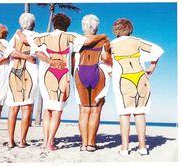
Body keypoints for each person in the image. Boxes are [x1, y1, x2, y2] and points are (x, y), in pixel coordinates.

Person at [30, 13, 108, 151]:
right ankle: (57, 143)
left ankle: (46, 141)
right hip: (65, 75)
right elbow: (92, 46)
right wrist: (103, 36)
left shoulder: (42, 37)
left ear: (53, 23)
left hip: (47, 75)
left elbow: (36, 52)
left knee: (48, 109)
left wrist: (50, 61)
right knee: (60, 110)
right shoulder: (73, 37)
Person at [110, 18, 164, 155]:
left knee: (124, 114)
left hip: (123, 80)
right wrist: (152, 67)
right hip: (141, 78)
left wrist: (111, 72)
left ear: (115, 30)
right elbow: (157, 51)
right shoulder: (137, 41)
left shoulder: (110, 45)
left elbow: (104, 63)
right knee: (140, 113)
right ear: (130, 29)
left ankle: (124, 148)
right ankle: (142, 147)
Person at [73, 14, 112, 152]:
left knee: (83, 111)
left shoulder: (77, 40)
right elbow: (107, 59)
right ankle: (91, 144)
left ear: (84, 25)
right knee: (95, 111)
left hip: (80, 73)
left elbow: (72, 61)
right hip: (98, 72)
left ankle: (83, 144)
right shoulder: (105, 41)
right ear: (96, 26)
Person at [5, 13, 38, 148]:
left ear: (21, 23)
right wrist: (27, 57)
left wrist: (20, 55)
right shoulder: (37, 36)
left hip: (14, 73)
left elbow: (9, 53)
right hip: (30, 73)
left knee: (13, 108)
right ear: (33, 24)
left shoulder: (15, 36)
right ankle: (22, 141)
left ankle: (10, 141)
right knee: (27, 107)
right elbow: (37, 54)